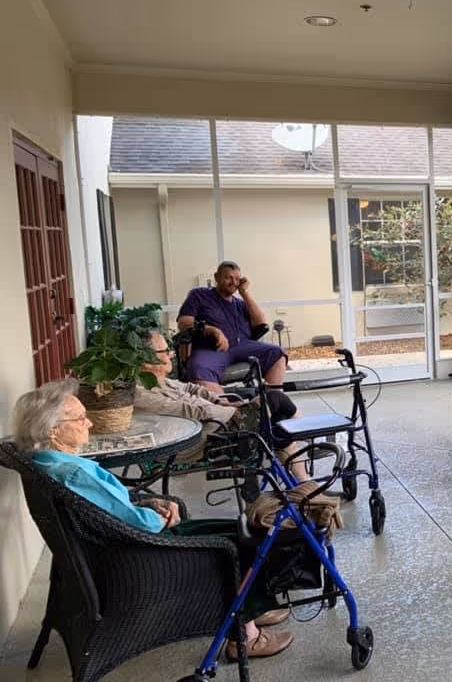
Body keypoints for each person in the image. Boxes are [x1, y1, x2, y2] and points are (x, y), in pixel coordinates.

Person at [11, 379, 293, 660]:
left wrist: (148, 502)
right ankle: (246, 636)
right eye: (81, 418)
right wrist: (158, 517)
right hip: (138, 556)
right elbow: (138, 524)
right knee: (238, 543)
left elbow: (109, 506)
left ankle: (252, 609)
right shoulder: (73, 474)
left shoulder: (49, 463)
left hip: (112, 547)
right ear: (53, 431)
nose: (90, 424)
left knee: (233, 528)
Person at [135, 330, 311, 481]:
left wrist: (220, 400)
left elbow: (192, 388)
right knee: (274, 398)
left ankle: (304, 484)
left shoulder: (161, 381)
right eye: (165, 351)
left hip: (220, 424)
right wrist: (232, 409)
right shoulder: (139, 393)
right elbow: (189, 411)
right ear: (146, 360)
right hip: (210, 437)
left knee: (278, 424)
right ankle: (307, 436)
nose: (171, 355)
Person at [178, 261, 287, 394]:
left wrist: (244, 292)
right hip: (212, 349)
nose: (233, 282)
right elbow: (184, 322)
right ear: (217, 277)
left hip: (243, 345)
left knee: (277, 353)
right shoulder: (199, 295)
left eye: (237, 279)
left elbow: (261, 323)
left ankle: (273, 402)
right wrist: (212, 330)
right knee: (198, 367)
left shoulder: (240, 304)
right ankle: (229, 410)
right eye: (228, 277)